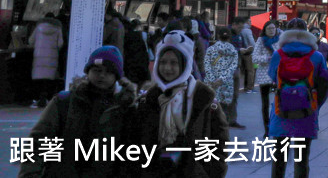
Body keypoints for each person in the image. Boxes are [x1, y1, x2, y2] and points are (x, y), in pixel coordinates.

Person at [19, 46, 136, 178]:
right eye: (96, 70)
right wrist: (30, 174)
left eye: (108, 72)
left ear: (117, 77)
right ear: (88, 72)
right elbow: (39, 140)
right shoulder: (65, 102)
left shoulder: (125, 108)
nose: (101, 75)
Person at [136, 30, 228, 177]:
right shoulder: (148, 100)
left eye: (174, 63)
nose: (167, 68)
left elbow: (220, 142)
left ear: (185, 64)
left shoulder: (204, 100)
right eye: (163, 62)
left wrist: (211, 172)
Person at [267, 18, 328, 178]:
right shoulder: (316, 56)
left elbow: (272, 76)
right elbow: (324, 84)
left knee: (279, 156)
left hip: (281, 109)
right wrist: (315, 105)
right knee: (302, 158)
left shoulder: (278, 54)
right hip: (306, 111)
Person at [204, 26, 240, 132]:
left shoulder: (211, 49)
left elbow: (207, 65)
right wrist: (222, 79)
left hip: (212, 83)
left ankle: (211, 131)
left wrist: (212, 80)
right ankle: (222, 132)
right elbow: (232, 67)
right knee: (224, 109)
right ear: (230, 37)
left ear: (218, 36)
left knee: (212, 107)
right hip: (226, 83)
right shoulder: (233, 51)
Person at [29, 13, 64, 108]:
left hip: (39, 56)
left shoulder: (38, 27)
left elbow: (30, 41)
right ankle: (47, 100)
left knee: (38, 79)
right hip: (51, 57)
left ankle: (36, 100)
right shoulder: (57, 28)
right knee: (49, 80)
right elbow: (60, 43)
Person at [252, 21, 281, 137]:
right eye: (269, 28)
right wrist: (268, 58)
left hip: (278, 74)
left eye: (273, 28)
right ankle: (267, 128)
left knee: (280, 102)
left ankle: (277, 126)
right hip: (264, 75)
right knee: (265, 103)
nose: (271, 30)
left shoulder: (280, 39)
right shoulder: (261, 40)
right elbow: (254, 58)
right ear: (265, 29)